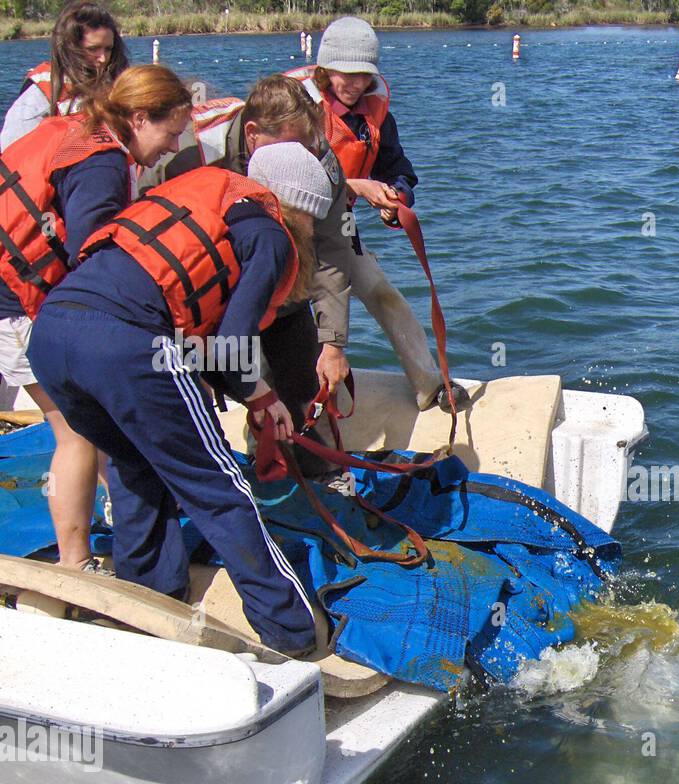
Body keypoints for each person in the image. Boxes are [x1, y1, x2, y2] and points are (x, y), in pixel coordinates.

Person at [26, 143, 331, 655]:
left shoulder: (201, 198)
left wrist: (253, 394)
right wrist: (262, 399)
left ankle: (148, 609)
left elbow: (198, 331)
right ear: (299, 210)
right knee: (217, 486)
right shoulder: (272, 236)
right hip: (126, 346)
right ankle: (295, 634)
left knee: (133, 465)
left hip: (52, 336)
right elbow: (234, 341)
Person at [0, 64, 192, 570]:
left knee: (88, 420)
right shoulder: (101, 165)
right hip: (13, 304)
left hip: (9, 289)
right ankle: (74, 562)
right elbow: (95, 258)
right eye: (171, 133)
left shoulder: (78, 129)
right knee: (75, 432)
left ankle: (109, 511)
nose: (173, 148)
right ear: (140, 117)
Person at [153, 74, 355, 490]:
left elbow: (332, 250)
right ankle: (209, 473)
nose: (300, 157)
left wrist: (333, 342)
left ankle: (309, 467)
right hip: (200, 286)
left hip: (281, 277)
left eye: (306, 147)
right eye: (286, 147)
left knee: (299, 372)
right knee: (197, 379)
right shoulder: (187, 153)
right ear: (251, 134)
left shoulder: (318, 163)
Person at [286, 16, 442, 410]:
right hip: (289, 230)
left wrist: (395, 198)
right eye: (346, 73)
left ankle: (430, 388)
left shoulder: (376, 116)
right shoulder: (296, 110)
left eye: (364, 74)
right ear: (325, 68)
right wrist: (357, 187)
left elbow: (401, 171)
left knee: (384, 295)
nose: (355, 83)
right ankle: (291, 403)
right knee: (293, 321)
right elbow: (285, 176)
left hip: (339, 228)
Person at [1, 1, 129, 151]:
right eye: (93, 49)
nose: (102, 58)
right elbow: (11, 156)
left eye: (108, 49)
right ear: (70, 47)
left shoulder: (116, 85)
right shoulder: (40, 96)